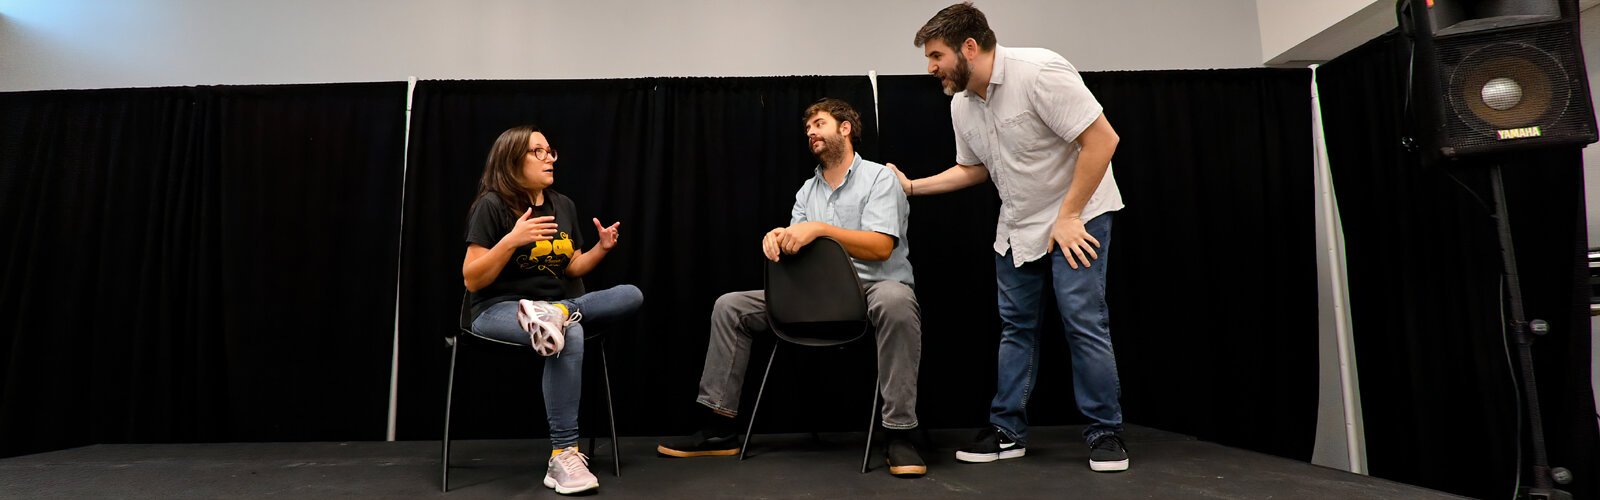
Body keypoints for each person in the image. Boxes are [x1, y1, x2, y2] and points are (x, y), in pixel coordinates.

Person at [891, 2, 1130, 472]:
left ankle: (1105, 433)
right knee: (1016, 329)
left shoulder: (1039, 71)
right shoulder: (962, 104)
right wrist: (913, 187)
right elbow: (973, 169)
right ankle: (1008, 431)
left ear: (970, 47)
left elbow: (1103, 140)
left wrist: (1070, 215)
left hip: (1077, 216)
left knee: (1082, 320)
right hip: (1019, 225)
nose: (931, 67)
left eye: (936, 55)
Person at [656, 98, 927, 477]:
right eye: (808, 129)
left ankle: (900, 433)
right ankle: (719, 428)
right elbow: (797, 245)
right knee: (730, 305)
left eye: (819, 124)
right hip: (813, 297)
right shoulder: (807, 191)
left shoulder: (880, 178)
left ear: (845, 128)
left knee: (898, 300)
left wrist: (819, 229)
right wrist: (778, 238)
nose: (811, 132)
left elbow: (882, 247)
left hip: (871, 292)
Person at [462, 125, 644, 494]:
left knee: (631, 294)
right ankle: (563, 454)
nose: (549, 158)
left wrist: (601, 249)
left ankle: (558, 311)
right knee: (570, 331)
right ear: (512, 160)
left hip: (553, 305)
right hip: (497, 309)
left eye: (550, 151)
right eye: (538, 152)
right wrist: (512, 240)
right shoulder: (492, 205)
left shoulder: (563, 205)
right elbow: (472, 279)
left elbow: (572, 267)